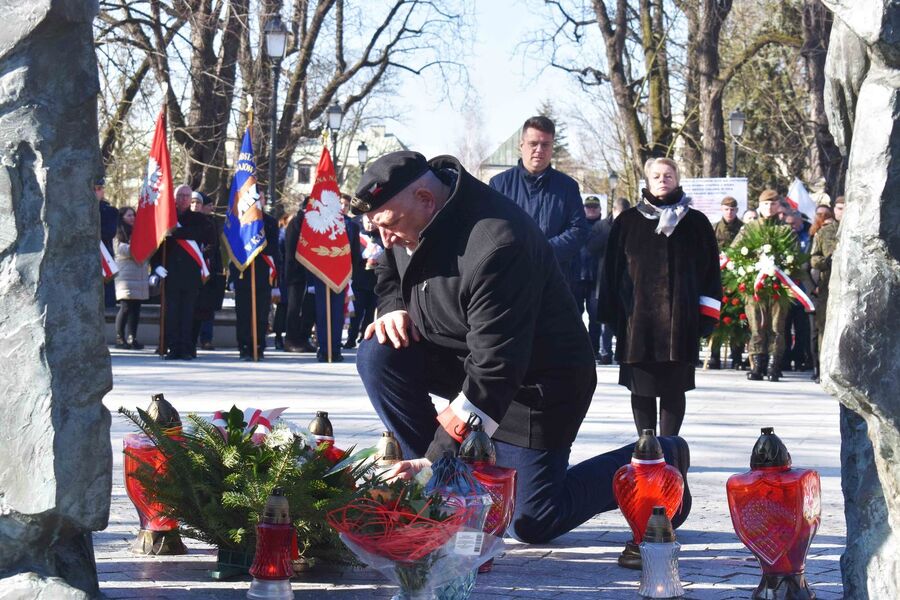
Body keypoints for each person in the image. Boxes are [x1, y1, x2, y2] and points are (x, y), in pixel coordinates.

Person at [351, 151, 691, 545]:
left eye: (389, 226)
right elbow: (388, 265)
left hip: (536, 383)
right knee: (380, 353)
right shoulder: (408, 213)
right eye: (378, 227)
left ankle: (660, 458)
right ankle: (437, 489)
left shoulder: (497, 243)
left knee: (531, 521)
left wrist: (437, 455)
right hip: (464, 357)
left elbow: (495, 369)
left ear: (426, 200)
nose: (385, 238)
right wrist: (393, 306)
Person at [599, 158, 721, 437]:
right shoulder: (628, 222)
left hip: (681, 322)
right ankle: (646, 448)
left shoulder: (697, 223)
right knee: (641, 388)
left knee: (674, 389)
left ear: (678, 179)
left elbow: (711, 274)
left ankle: (669, 446)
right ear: (647, 181)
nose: (662, 179)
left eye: (668, 175)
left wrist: (707, 317)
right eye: (656, 175)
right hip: (637, 323)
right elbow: (610, 272)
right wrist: (610, 314)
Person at [488, 116, 588, 293]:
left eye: (545, 145)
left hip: (554, 283)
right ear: (522, 146)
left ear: (552, 148)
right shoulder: (499, 185)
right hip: (511, 283)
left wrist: (544, 251)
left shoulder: (567, 187)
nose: (539, 150)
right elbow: (490, 232)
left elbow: (579, 230)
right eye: (533, 143)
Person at [731, 189, 800, 382]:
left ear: (778, 206)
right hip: (754, 286)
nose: (769, 207)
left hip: (778, 288)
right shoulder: (749, 229)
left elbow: (796, 258)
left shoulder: (785, 230)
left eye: (772, 203)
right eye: (765, 204)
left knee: (777, 328)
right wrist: (749, 268)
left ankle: (774, 365)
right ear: (759, 206)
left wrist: (784, 268)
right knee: (756, 326)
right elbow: (734, 253)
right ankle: (757, 365)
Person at [151, 184, 216, 360]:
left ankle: (187, 348)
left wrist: (175, 232)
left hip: (191, 274)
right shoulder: (165, 218)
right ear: (174, 197)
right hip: (170, 273)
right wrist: (156, 266)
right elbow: (156, 245)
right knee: (171, 314)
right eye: (180, 195)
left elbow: (199, 235)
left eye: (187, 196)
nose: (184, 199)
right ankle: (172, 347)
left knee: (188, 314)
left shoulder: (199, 219)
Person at [229, 190, 280, 360]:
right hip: (243, 273)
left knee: (261, 313)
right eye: (255, 198)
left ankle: (258, 345)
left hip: (263, 274)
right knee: (243, 313)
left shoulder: (271, 222)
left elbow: (274, 250)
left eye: (261, 198)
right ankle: (244, 346)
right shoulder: (240, 221)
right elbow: (233, 249)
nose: (258, 201)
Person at [809, 196, 843, 383]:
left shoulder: (857, 230)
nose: (841, 212)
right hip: (827, 287)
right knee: (824, 329)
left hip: (850, 289)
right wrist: (827, 261)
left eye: (844, 208)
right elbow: (813, 258)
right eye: (838, 208)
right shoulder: (824, 232)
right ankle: (823, 369)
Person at [709, 196, 745, 370]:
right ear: (721, 210)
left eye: (732, 209)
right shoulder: (714, 228)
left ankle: (737, 356)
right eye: (726, 209)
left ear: (737, 210)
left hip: (737, 278)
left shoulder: (743, 229)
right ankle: (714, 355)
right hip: (719, 277)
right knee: (718, 315)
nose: (729, 212)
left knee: (738, 316)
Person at [190, 191, 225, 354]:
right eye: (208, 205)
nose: (211, 208)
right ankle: (191, 338)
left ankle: (206, 338)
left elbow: (214, 247)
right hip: (192, 268)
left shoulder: (212, 223)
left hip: (209, 269)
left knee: (207, 307)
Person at [343, 194, 379, 350]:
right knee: (356, 311)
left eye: (373, 222)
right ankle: (351, 338)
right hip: (358, 278)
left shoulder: (381, 236)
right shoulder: (356, 233)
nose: (370, 224)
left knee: (371, 312)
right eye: (367, 221)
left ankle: (365, 338)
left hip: (376, 280)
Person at [780, 211, 813, 372]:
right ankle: (785, 359)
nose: (791, 227)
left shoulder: (808, 235)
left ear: (801, 221)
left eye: (794, 224)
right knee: (784, 326)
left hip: (803, 289)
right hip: (785, 289)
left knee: (802, 328)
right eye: (788, 224)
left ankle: (800, 358)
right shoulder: (783, 237)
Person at [113, 206, 148, 349]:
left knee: (136, 308)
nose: (132, 217)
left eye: (133, 215)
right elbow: (121, 250)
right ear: (122, 217)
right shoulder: (118, 234)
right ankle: (120, 338)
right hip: (126, 276)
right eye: (129, 215)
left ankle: (132, 337)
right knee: (125, 307)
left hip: (139, 274)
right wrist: (138, 248)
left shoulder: (139, 232)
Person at [574, 196, 605, 359]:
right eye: (588, 207)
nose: (591, 210)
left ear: (600, 209)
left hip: (596, 279)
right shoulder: (577, 225)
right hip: (578, 276)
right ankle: (578, 349)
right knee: (575, 315)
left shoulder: (605, 226)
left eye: (594, 207)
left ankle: (593, 350)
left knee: (596, 318)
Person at [97, 177, 119, 309]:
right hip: (85, 260)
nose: (96, 192)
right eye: (93, 189)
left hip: (104, 259)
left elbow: (109, 232)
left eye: (99, 189)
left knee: (107, 302)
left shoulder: (110, 211)